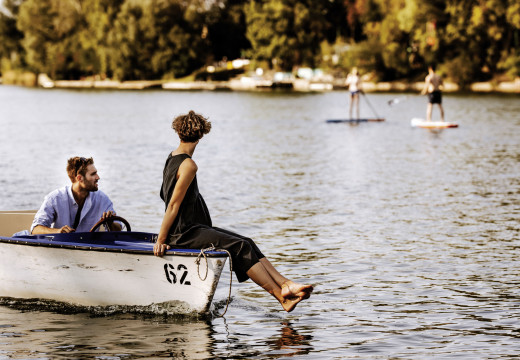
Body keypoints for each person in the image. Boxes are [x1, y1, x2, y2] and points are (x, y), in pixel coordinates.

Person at [154, 111, 313, 312]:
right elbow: (173, 205)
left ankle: (285, 284)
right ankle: (281, 297)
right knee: (240, 247)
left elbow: (164, 195)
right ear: (201, 135)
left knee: (248, 242)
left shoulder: (172, 157)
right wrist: (162, 240)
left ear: (178, 133)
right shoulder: (189, 165)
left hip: (191, 228)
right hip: (184, 233)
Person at [31, 156, 121, 234]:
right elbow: (35, 229)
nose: (98, 177)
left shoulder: (102, 199)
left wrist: (110, 223)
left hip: (90, 250)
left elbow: (118, 230)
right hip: (62, 249)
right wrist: (58, 231)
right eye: (93, 174)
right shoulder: (55, 198)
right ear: (79, 178)